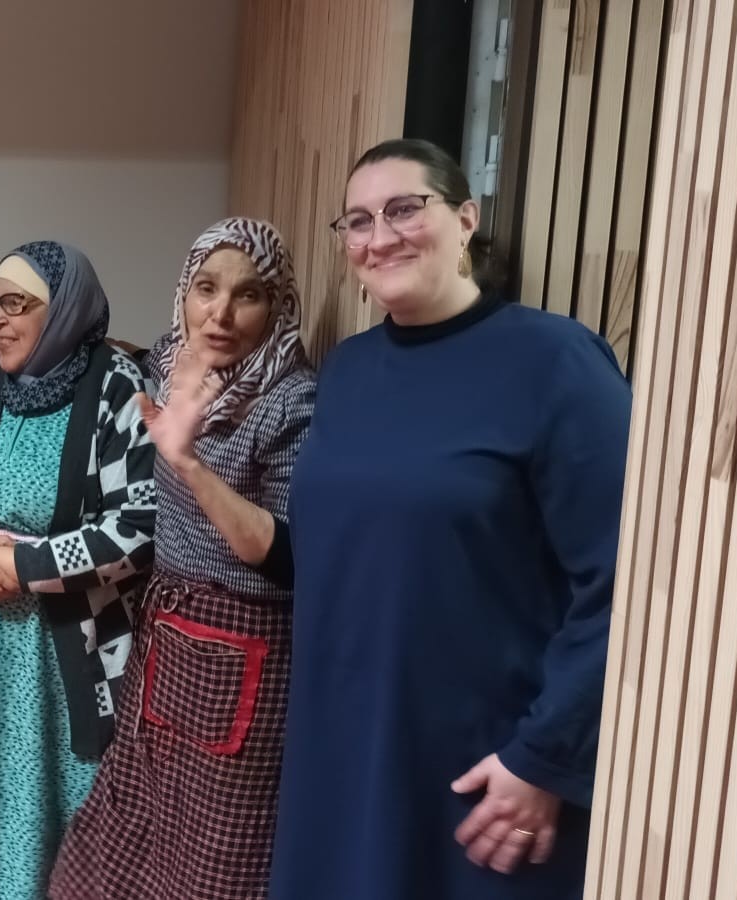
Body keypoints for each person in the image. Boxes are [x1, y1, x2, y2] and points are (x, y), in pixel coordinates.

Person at [269, 138, 631, 898]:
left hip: (482, 768)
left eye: (405, 209)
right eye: (358, 221)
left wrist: (545, 756)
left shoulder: (555, 362)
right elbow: (336, 556)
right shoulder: (348, 370)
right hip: (343, 747)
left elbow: (625, 579)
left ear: (466, 219)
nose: (380, 237)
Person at [48, 217, 313, 899]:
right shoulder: (170, 364)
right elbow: (100, 352)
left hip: (247, 647)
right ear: (184, 295)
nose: (219, 313)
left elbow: (284, 555)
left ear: (277, 306)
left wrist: (188, 462)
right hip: (165, 631)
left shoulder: (291, 400)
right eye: (206, 288)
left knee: (212, 861)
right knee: (115, 849)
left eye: (247, 294)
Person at [0, 240, 157, 899]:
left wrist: (22, 564)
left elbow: (139, 527)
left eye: (17, 303)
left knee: (54, 842)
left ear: (65, 309)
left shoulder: (119, 392)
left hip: (68, 666)